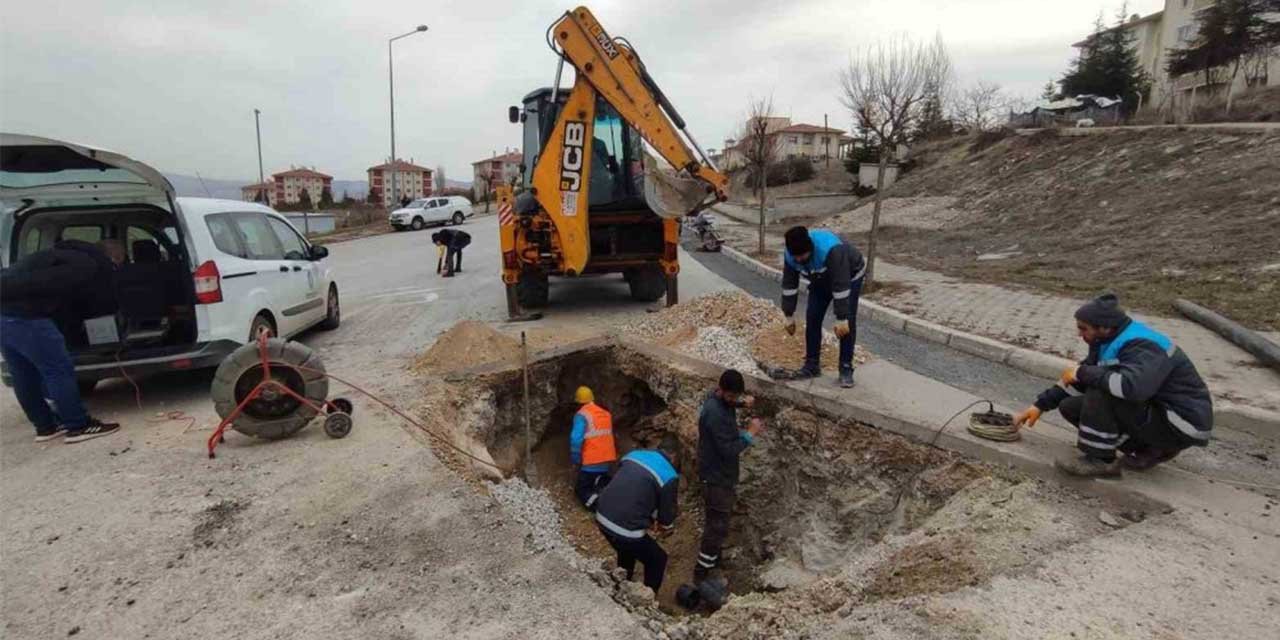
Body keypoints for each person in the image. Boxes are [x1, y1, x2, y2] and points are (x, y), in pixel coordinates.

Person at [1012, 294, 1213, 477]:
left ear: (1104, 327)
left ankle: (1100, 461)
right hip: (1160, 414)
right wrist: (1038, 406)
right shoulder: (1107, 341)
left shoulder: (1143, 345)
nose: (1079, 334)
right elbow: (1077, 380)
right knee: (1071, 407)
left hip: (1180, 422)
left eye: (1083, 328)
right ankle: (1149, 450)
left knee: (1101, 389)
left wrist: (1083, 373)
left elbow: (1133, 388)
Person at [0, 239, 123, 443]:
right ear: (113, 258)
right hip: (27, 318)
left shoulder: (54, 255)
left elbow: (54, 293)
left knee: (23, 373)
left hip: (4, 316)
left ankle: (46, 427)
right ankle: (79, 425)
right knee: (57, 370)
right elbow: (38, 285)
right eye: (117, 264)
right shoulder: (84, 265)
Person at [694, 369, 762, 583]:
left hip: (715, 472)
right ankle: (702, 573)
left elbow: (728, 404)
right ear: (721, 390)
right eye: (731, 396)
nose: (733, 399)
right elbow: (729, 450)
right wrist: (750, 433)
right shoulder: (715, 416)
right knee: (717, 526)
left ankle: (712, 560)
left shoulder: (717, 399)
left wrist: (742, 404)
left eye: (736, 396)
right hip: (717, 478)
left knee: (716, 522)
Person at [780, 226, 866, 388]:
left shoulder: (831, 250)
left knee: (847, 322)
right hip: (820, 277)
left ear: (810, 248)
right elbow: (789, 285)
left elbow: (841, 286)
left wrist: (841, 317)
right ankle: (812, 365)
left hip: (849, 275)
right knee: (812, 317)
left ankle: (845, 368)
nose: (798, 260)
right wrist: (788, 314)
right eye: (795, 256)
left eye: (802, 256)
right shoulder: (790, 255)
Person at [593, 437, 681, 594]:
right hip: (624, 528)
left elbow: (627, 486)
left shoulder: (634, 455)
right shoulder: (669, 475)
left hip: (602, 515)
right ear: (673, 456)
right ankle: (647, 597)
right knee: (657, 559)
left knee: (626, 549)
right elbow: (666, 517)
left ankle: (622, 582)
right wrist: (665, 526)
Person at [569, 385, 616, 509]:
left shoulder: (582, 415)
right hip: (607, 459)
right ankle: (605, 492)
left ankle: (598, 507)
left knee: (581, 490)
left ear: (578, 402)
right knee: (598, 482)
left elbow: (575, 439)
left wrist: (576, 459)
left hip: (591, 460)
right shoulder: (605, 414)